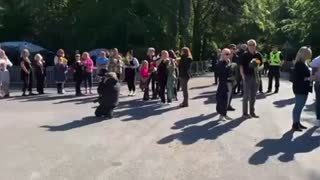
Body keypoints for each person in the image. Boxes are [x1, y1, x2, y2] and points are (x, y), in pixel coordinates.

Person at [240, 39, 263, 118]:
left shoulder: (258, 55)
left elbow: (261, 65)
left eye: (253, 44)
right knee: (246, 96)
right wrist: (243, 76)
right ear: (248, 46)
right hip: (247, 77)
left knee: (253, 96)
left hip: (256, 77)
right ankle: (245, 113)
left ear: (255, 45)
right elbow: (241, 66)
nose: (251, 46)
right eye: (250, 45)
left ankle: (252, 112)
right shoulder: (244, 55)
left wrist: (259, 68)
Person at [291, 46, 312, 131]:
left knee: (300, 106)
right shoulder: (299, 64)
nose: (309, 56)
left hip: (303, 87)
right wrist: (308, 77)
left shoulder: (303, 63)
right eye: (308, 54)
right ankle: (295, 124)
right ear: (303, 54)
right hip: (300, 88)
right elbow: (302, 76)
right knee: (298, 106)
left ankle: (297, 122)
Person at [216, 48, 233, 121]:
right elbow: (221, 72)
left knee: (227, 99)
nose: (228, 55)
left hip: (229, 83)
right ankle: (221, 114)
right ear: (222, 55)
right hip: (223, 84)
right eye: (226, 54)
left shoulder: (228, 62)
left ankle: (224, 114)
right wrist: (228, 66)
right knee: (221, 99)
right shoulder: (220, 63)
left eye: (229, 54)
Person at [310, 55, 320, 127]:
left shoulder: (316, 60)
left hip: (318, 82)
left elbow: (313, 73)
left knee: (318, 101)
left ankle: (318, 120)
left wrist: (311, 82)